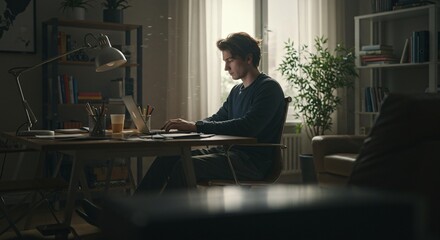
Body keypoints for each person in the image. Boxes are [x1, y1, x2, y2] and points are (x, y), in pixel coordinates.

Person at [79, 32, 285, 225]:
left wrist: (195, 126)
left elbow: (248, 126)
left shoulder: (268, 88)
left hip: (253, 163)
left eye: (229, 61)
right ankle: (123, 217)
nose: (226, 68)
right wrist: (187, 127)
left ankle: (160, 225)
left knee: (183, 167)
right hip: (229, 154)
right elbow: (218, 119)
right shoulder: (236, 91)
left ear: (248, 59)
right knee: (169, 156)